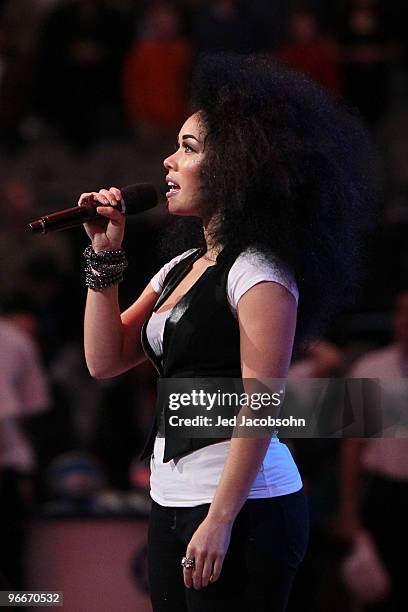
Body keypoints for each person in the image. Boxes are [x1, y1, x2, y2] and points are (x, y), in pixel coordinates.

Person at [79, 54, 375, 611]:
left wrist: (220, 518)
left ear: (238, 166)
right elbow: (103, 360)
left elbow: (263, 403)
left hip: (244, 508)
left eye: (189, 148)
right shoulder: (179, 267)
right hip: (170, 500)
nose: (168, 160)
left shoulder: (258, 270)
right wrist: (104, 256)